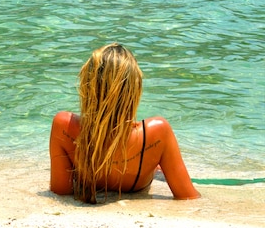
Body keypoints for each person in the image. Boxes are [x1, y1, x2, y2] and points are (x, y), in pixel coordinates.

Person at [49, 43, 200, 203]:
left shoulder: (64, 126)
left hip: (90, 163)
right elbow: (189, 197)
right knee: (157, 167)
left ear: (87, 87)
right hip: (140, 160)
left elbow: (61, 193)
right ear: (134, 90)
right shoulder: (157, 133)